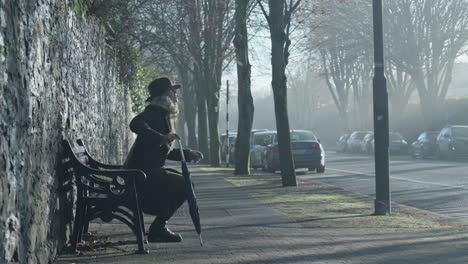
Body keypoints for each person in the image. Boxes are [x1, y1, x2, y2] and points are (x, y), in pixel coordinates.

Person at [124, 77, 203, 243]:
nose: (175, 95)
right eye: (172, 91)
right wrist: (160, 137)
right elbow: (135, 123)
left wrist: (188, 154)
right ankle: (158, 228)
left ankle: (159, 227)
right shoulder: (154, 111)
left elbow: (164, 150)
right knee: (185, 185)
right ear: (164, 95)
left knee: (184, 182)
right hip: (140, 175)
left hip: (144, 173)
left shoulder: (163, 115)